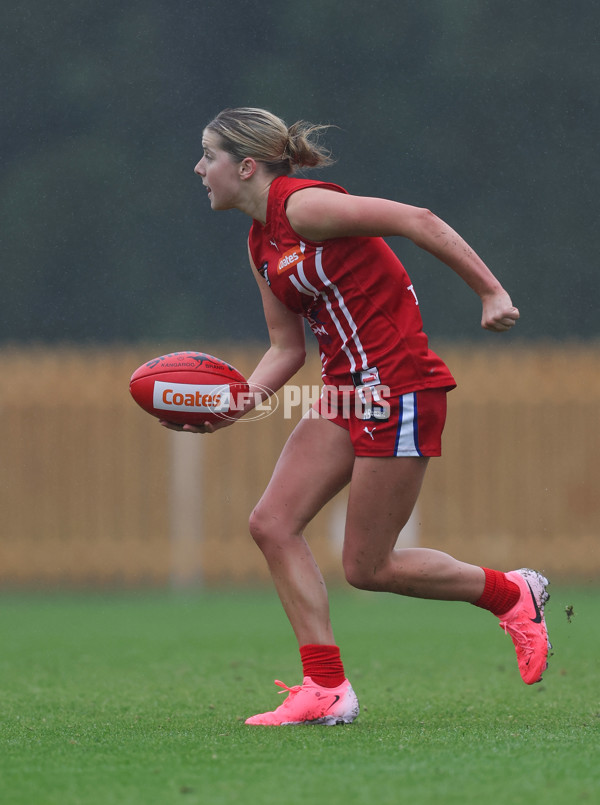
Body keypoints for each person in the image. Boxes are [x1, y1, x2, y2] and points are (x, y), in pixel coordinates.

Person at [161, 107, 551, 726]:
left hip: (399, 388)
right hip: (346, 393)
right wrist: (235, 405)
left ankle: (513, 594)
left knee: (369, 567)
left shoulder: (304, 208)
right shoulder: (260, 240)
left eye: (208, 156)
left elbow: (415, 220)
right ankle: (326, 689)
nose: (199, 168)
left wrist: (491, 290)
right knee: (272, 523)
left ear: (246, 166)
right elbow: (286, 347)